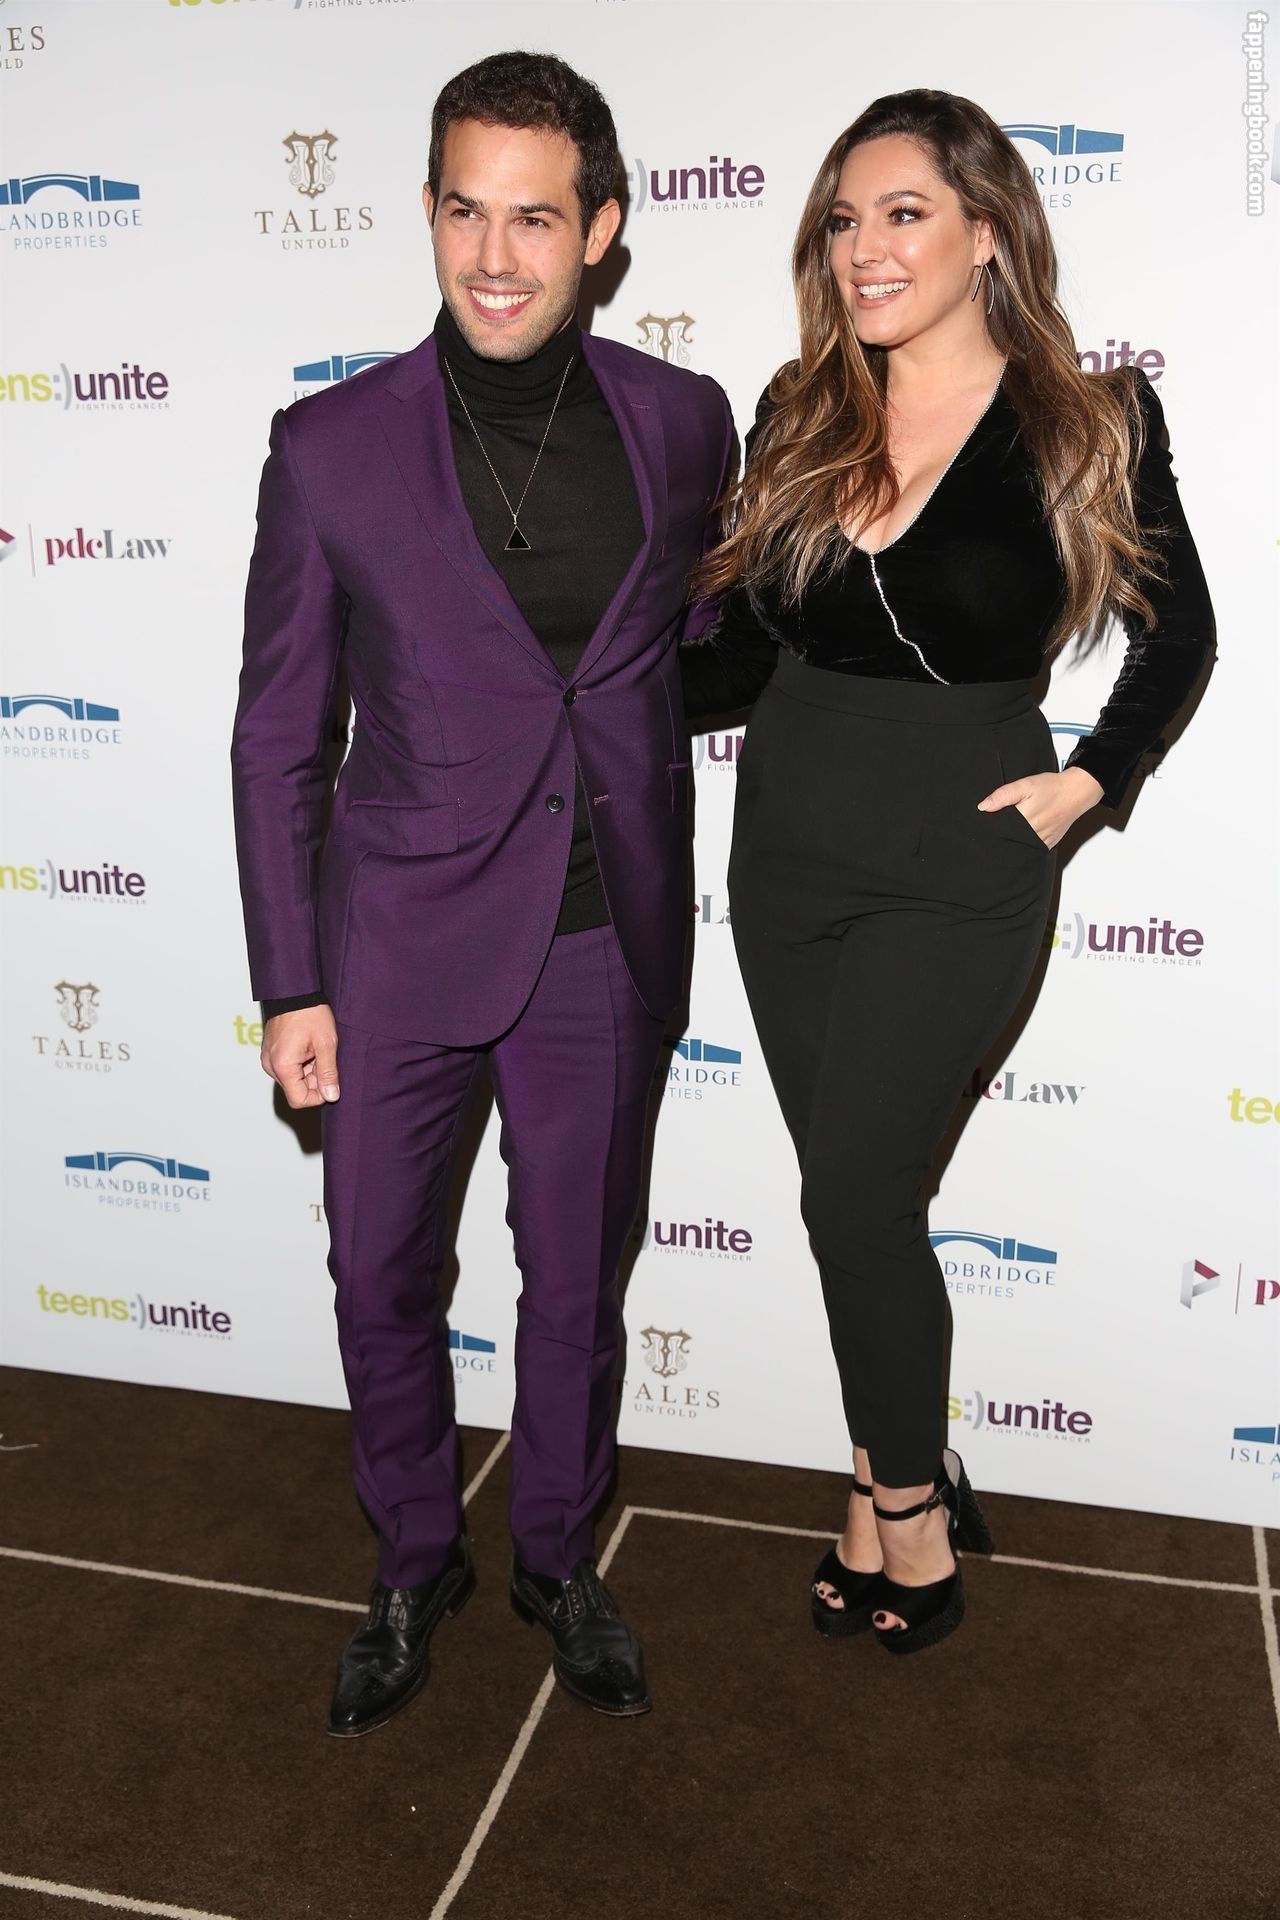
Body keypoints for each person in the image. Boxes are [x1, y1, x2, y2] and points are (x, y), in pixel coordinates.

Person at [232, 50, 732, 1733]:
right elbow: (277, 737)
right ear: (431, 213)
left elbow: (690, 644)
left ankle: (558, 1556)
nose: (494, 257)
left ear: (602, 228)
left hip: (600, 935)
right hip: (392, 946)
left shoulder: (683, 421)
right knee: (381, 1276)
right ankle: (409, 1557)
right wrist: (290, 982)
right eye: (464, 211)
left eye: (533, 218)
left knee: (578, 1285)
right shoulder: (330, 447)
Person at [681, 89, 1214, 1655]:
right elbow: (737, 657)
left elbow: (1179, 632)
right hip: (788, 852)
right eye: (844, 220)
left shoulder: (1090, 421)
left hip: (958, 860)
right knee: (861, 1206)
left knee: (853, 1192)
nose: (865, 246)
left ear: (987, 231)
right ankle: (892, 1467)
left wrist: (1092, 783)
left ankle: (905, 1513)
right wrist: (565, 689)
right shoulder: (799, 411)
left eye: (903, 211)